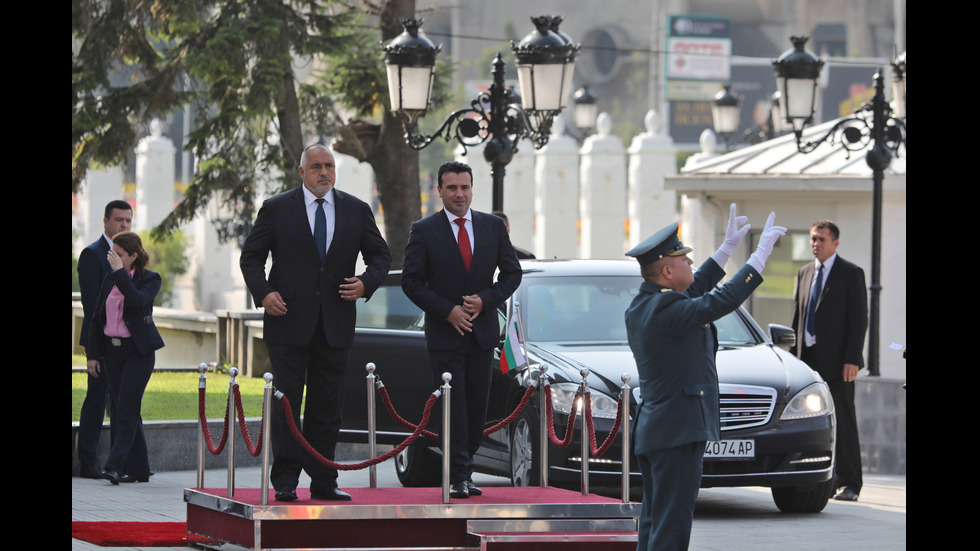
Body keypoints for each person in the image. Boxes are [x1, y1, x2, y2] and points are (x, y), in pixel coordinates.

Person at [625, 205, 785, 551]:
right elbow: (716, 302)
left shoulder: (647, 304)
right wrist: (758, 258)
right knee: (672, 528)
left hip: (661, 431)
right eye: (684, 260)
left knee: (656, 522)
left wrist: (727, 249)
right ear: (667, 270)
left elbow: (696, 290)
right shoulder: (667, 309)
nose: (691, 263)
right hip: (678, 433)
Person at [240, 144, 391, 502]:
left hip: (335, 323)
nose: (324, 172)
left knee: (327, 405)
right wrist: (264, 294)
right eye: (316, 166)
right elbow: (251, 258)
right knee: (288, 402)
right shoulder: (277, 209)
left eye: (329, 166)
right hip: (287, 321)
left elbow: (381, 256)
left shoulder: (356, 209)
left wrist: (366, 282)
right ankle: (286, 480)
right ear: (302, 171)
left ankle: (324, 479)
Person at [401, 161, 522, 499]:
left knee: (476, 407)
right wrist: (447, 310)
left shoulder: (492, 227)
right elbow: (411, 282)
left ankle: (465, 468)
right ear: (440, 190)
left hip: (482, 336)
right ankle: (457, 475)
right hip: (445, 337)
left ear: (472, 189)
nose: (459, 194)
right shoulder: (424, 230)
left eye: (465, 187)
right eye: (452, 188)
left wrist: (485, 300)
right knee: (453, 407)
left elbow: (512, 275)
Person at [791, 220, 868, 502]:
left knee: (843, 421)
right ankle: (829, 478)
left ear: (835, 243)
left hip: (838, 364)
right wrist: (792, 360)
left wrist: (853, 359)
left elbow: (859, 320)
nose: (816, 244)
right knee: (811, 421)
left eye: (822, 239)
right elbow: (798, 317)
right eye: (813, 239)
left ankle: (851, 482)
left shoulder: (850, 273)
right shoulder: (804, 272)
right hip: (807, 361)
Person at [87, 231, 165, 485]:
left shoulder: (150, 279)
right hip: (112, 352)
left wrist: (120, 273)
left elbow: (137, 299)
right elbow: (97, 318)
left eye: (119, 255)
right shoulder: (110, 279)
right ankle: (140, 469)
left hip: (138, 352)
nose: (114, 258)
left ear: (133, 256)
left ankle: (114, 465)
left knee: (126, 409)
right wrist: (93, 354)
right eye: (113, 253)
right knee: (123, 407)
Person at [76, 200, 133, 479]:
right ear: (106, 222)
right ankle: (87, 463)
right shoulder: (92, 255)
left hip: (126, 343)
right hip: (100, 343)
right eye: (119, 220)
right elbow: (91, 307)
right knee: (97, 400)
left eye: (128, 221)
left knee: (124, 403)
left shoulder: (133, 255)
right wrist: (94, 352)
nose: (124, 225)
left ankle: (122, 463)